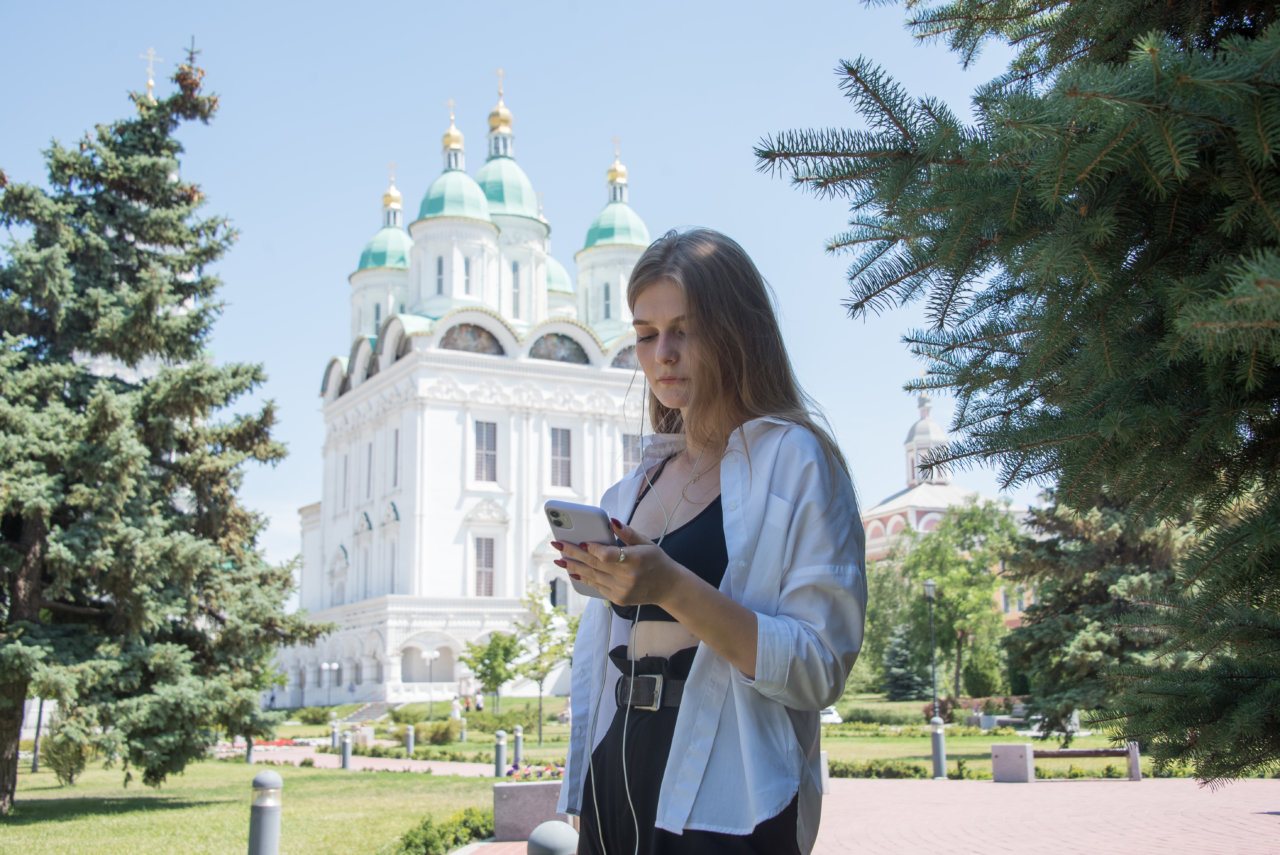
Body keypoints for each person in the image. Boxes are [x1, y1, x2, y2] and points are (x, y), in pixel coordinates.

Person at [553, 229, 866, 855]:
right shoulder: (632, 489)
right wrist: (583, 791)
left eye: (684, 330)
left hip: (731, 791)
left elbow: (818, 668)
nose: (662, 353)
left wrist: (668, 585)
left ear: (737, 332)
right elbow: (597, 661)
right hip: (617, 772)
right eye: (645, 334)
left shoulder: (795, 461)